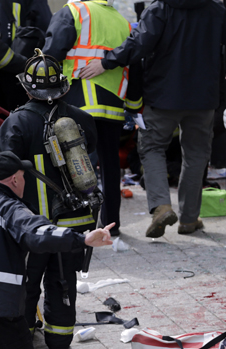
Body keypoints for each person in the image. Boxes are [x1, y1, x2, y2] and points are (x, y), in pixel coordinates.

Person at [79, 0, 226, 237]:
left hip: (162, 97)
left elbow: (137, 45)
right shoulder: (214, 9)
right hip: (203, 99)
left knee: (151, 148)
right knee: (196, 154)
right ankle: (189, 219)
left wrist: (106, 62)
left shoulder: (160, 9)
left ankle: (161, 207)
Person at [0, 151, 114, 348]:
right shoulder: (10, 209)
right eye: (23, 177)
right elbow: (39, 233)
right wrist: (83, 239)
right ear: (14, 180)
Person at [0, 50, 97, 348]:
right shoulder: (81, 119)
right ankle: (58, 344)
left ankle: (24, 339)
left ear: (27, 88)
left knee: (24, 289)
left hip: (31, 228)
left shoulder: (15, 124)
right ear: (63, 87)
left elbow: (2, 174)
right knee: (63, 286)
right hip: (74, 224)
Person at [43, 0, 142, 237]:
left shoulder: (74, 12)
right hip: (114, 105)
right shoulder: (123, 22)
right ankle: (112, 226)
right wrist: (134, 104)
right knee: (109, 165)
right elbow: (135, 65)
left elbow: (50, 55)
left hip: (78, 102)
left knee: (76, 164)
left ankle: (78, 224)